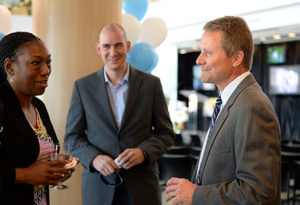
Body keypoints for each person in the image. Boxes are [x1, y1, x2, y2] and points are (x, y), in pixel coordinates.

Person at [165, 16, 281, 205]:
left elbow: (257, 193)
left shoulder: (252, 106)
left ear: (236, 58)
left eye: (208, 53)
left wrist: (195, 195)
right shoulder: (231, 101)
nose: (199, 60)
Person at [64, 23, 175, 205]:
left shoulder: (151, 84)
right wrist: (94, 158)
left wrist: (143, 152)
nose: (113, 52)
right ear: (99, 49)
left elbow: (166, 134)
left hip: (142, 187)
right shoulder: (82, 87)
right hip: (99, 188)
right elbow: (71, 139)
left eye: (118, 45)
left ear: (128, 46)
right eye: (106, 46)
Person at [0, 32, 74, 205]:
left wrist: (58, 168)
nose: (46, 70)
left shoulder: (38, 106)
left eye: (48, 62)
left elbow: (38, 156)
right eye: (36, 63)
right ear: (10, 67)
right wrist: (24, 175)